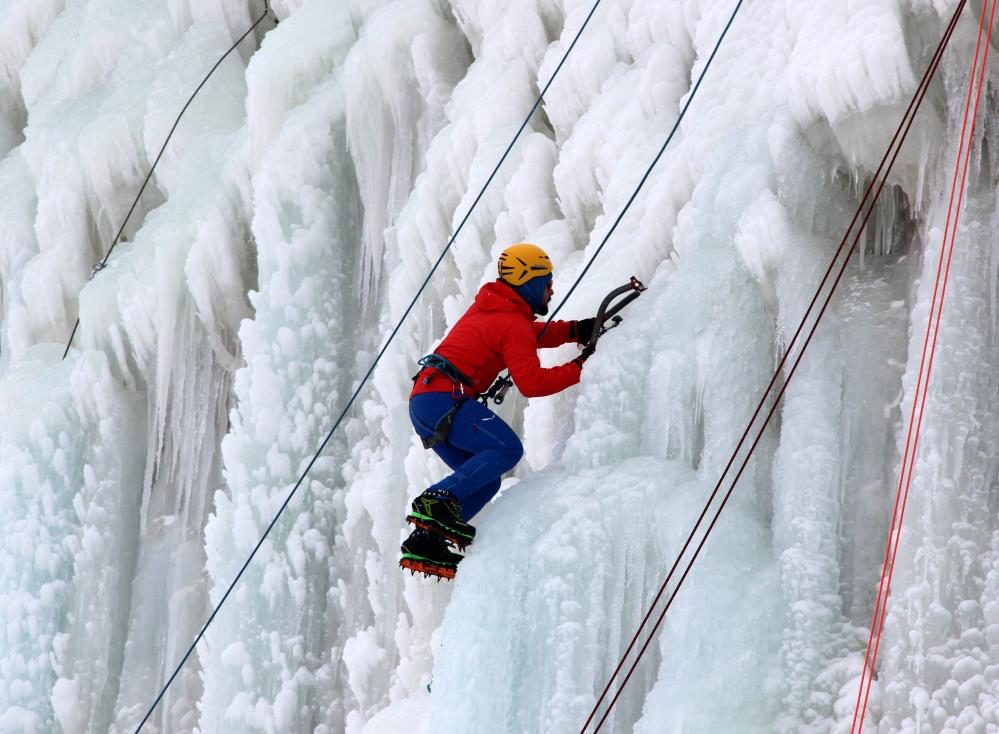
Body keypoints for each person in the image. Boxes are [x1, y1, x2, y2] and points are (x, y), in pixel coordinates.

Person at [400, 243, 596, 579]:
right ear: (529, 282)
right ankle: (437, 500)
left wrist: (576, 330)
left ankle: (426, 539)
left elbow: (534, 335)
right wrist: (581, 366)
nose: (552, 289)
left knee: (486, 482)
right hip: (444, 398)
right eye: (547, 281)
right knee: (507, 449)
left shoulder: (496, 312)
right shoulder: (510, 323)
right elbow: (533, 383)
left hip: (426, 401)